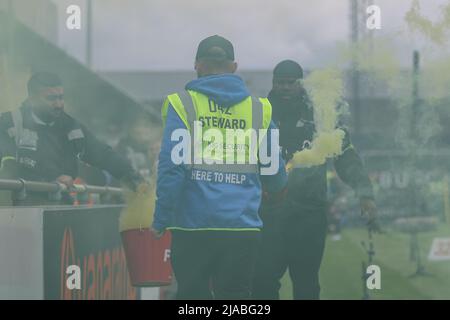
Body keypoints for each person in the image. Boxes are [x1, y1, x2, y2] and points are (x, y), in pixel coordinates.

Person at [151, 35, 287, 299]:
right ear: (234, 67)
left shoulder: (182, 104)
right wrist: (272, 192)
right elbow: (274, 174)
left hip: (192, 228)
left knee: (192, 297)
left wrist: (161, 218)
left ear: (197, 65)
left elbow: (172, 167)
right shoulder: (259, 109)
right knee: (236, 297)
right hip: (242, 228)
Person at [252, 60, 379, 300]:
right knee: (263, 283)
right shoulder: (260, 112)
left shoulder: (321, 115)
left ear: (301, 84)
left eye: (291, 83)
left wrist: (365, 193)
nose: (285, 88)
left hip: (308, 212)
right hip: (268, 212)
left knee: (306, 284)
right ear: (273, 83)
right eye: (280, 83)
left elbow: (346, 156)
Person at [0, 72, 143, 205]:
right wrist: (50, 180)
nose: (59, 104)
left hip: (62, 208)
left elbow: (103, 155)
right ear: (32, 99)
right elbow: (7, 167)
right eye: (51, 98)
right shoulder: (8, 123)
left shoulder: (71, 127)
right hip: (17, 211)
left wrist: (134, 179)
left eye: (61, 97)